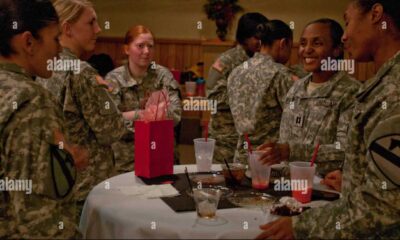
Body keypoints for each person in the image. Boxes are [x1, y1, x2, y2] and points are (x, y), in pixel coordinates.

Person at [257, 0, 400, 238]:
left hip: (335, 209)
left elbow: (384, 204)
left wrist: (302, 226)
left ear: (376, 14)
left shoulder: (388, 91)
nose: (345, 36)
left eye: (348, 21)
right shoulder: (296, 88)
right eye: (302, 43)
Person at [0, 0, 88, 238]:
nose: (60, 49)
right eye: (55, 39)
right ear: (29, 42)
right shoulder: (33, 101)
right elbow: (36, 216)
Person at [36, 0, 129, 220]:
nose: (98, 29)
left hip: (58, 182)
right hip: (88, 189)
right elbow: (112, 131)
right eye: (91, 23)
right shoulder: (81, 72)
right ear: (67, 28)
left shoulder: (45, 65)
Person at [258, 18, 361, 177]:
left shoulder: (351, 92)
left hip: (326, 190)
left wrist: (291, 151)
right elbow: (285, 145)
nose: (307, 50)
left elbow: (345, 150)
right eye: (303, 43)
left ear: (336, 49)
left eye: (317, 43)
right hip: (289, 187)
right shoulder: (296, 88)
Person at [105, 25, 182, 174]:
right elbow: (110, 123)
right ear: (127, 49)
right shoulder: (113, 79)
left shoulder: (163, 76)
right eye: (140, 46)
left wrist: (128, 116)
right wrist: (143, 115)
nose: (146, 51)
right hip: (125, 161)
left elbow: (176, 115)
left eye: (150, 46)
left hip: (161, 156)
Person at [227, 20, 295, 164]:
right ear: (284, 43)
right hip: (270, 160)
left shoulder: (236, 71)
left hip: (240, 159)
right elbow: (295, 121)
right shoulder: (281, 74)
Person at [207, 12, 269, 163]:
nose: (261, 43)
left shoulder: (262, 61)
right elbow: (212, 99)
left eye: (263, 38)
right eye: (256, 38)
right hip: (227, 139)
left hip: (254, 139)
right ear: (244, 37)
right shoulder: (227, 61)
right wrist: (246, 94)